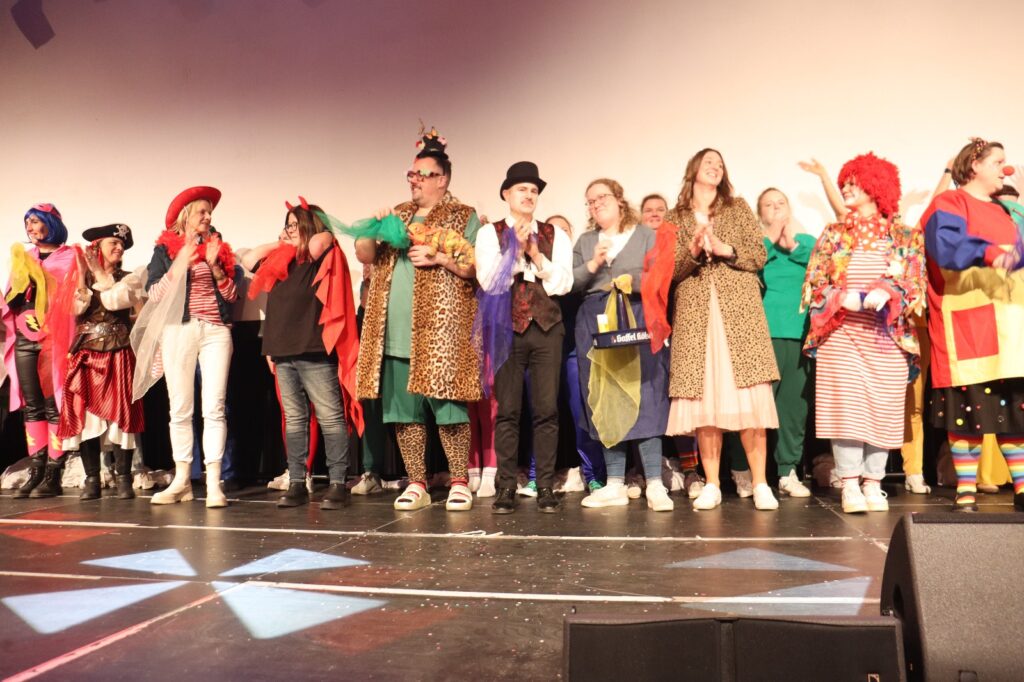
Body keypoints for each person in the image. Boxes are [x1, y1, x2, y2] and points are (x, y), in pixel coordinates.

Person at [355, 127, 482, 512]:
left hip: (440, 333)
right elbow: (364, 254)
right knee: (404, 413)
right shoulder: (398, 214)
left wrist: (439, 257)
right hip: (393, 332)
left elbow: (475, 266)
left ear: (442, 179)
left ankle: (459, 480)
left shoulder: (462, 215)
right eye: (411, 174)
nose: (414, 180)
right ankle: (416, 482)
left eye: (421, 174)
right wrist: (372, 227)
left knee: (449, 410)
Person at [802, 153, 924, 513]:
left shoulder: (905, 235)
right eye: (844, 183)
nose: (846, 188)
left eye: (853, 182)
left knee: (884, 409)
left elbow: (914, 280)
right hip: (842, 335)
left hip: (887, 339)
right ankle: (850, 485)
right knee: (847, 411)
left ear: (876, 186)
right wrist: (843, 298)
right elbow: (815, 282)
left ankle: (873, 483)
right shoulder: (835, 233)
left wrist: (889, 290)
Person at [665, 149, 781, 511]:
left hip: (739, 312)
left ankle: (760, 483)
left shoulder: (738, 207)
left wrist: (725, 248)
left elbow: (758, 255)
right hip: (696, 315)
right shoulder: (674, 217)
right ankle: (712, 484)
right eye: (708, 162)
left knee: (750, 401)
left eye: (720, 164)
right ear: (693, 170)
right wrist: (693, 251)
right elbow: (670, 271)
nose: (715, 167)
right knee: (705, 403)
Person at [921, 138, 1024, 511]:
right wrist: (991, 253)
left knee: (1014, 413)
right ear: (975, 164)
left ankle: (1021, 487)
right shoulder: (949, 203)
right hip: (968, 326)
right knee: (968, 413)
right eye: (998, 161)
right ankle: (966, 489)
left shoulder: (1008, 210)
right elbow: (944, 246)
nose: (1005, 169)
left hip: (1011, 328)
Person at [243, 198, 362, 509]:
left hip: (313, 349)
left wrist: (303, 235)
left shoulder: (321, 254)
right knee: (295, 419)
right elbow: (248, 259)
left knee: (330, 417)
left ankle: (337, 483)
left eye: (296, 225)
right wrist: (280, 242)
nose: (290, 230)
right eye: (287, 225)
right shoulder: (281, 260)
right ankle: (297, 481)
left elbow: (321, 240)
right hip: (283, 349)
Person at [132, 186, 239, 507]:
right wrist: (180, 262)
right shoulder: (164, 250)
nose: (208, 216)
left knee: (214, 407)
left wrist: (216, 267)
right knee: (180, 409)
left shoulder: (217, 246)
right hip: (178, 331)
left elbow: (232, 296)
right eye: (202, 211)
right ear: (186, 215)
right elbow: (154, 294)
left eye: (210, 212)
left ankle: (214, 483)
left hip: (215, 331)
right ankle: (181, 481)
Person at [476, 162, 573, 514]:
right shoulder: (490, 234)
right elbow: (489, 282)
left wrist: (536, 256)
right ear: (507, 194)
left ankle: (544, 485)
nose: (529, 195)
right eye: (522, 189)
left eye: (533, 190)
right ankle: (505, 487)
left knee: (547, 410)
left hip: (547, 328)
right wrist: (514, 254)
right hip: (507, 328)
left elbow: (564, 283)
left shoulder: (554, 234)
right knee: (508, 411)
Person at [572, 179, 673, 511]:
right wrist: (593, 265)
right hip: (596, 321)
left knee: (646, 395)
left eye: (602, 197)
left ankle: (655, 482)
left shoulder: (644, 235)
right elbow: (571, 283)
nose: (596, 204)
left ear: (619, 199)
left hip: (638, 316)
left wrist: (635, 282)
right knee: (606, 397)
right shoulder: (586, 241)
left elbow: (661, 275)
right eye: (590, 201)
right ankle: (614, 483)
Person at [58, 224, 145, 499]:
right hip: (87, 354)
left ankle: (124, 478)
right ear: (97, 247)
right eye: (113, 243)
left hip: (118, 352)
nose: (119, 248)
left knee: (121, 415)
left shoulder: (130, 279)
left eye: (122, 245)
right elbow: (75, 308)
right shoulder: (79, 279)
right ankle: (92, 479)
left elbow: (114, 301)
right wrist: (81, 277)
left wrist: (97, 272)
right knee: (87, 417)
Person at [2, 203, 77, 497]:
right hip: (24, 338)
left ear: (51, 223)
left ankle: (53, 474)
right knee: (32, 405)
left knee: (53, 404)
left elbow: (73, 300)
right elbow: (11, 301)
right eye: (27, 223)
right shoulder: (23, 258)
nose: (30, 228)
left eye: (35, 221)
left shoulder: (70, 257)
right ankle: (36, 470)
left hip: (54, 340)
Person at [754, 188, 814, 498]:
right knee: (756, 405)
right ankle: (748, 472)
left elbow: (823, 266)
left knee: (793, 406)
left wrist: (792, 246)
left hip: (800, 332)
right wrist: (772, 241)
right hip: (762, 333)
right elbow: (750, 268)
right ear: (760, 214)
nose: (776, 208)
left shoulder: (808, 243)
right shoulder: (757, 245)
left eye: (781, 203)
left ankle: (787, 471)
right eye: (769, 204)